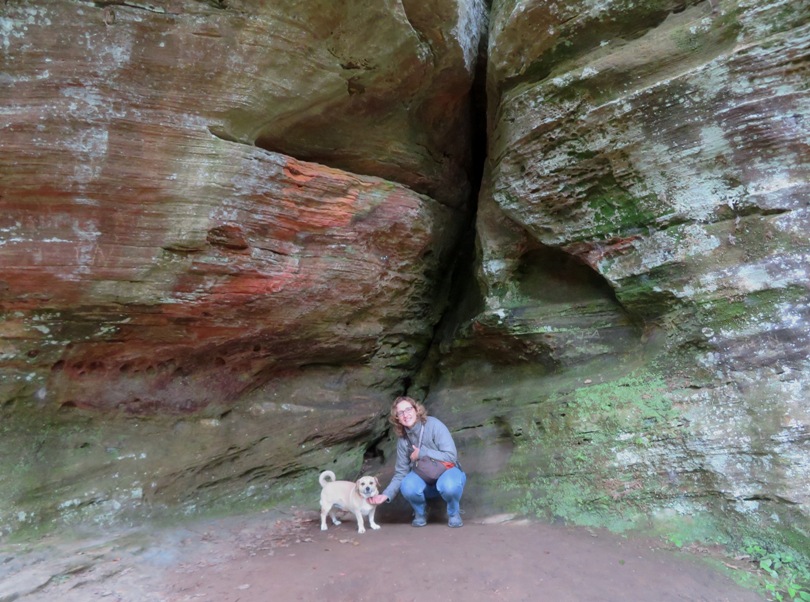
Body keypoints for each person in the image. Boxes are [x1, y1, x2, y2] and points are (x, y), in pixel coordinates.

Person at [369, 396, 466, 528]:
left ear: (416, 410)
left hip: (447, 471)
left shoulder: (434, 425)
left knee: (450, 486)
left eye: (408, 409)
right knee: (407, 486)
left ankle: (454, 513)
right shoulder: (403, 440)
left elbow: (451, 456)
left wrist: (422, 453)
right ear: (396, 417)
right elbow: (401, 473)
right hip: (424, 477)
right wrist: (386, 495)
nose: (405, 415)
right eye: (400, 413)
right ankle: (420, 512)